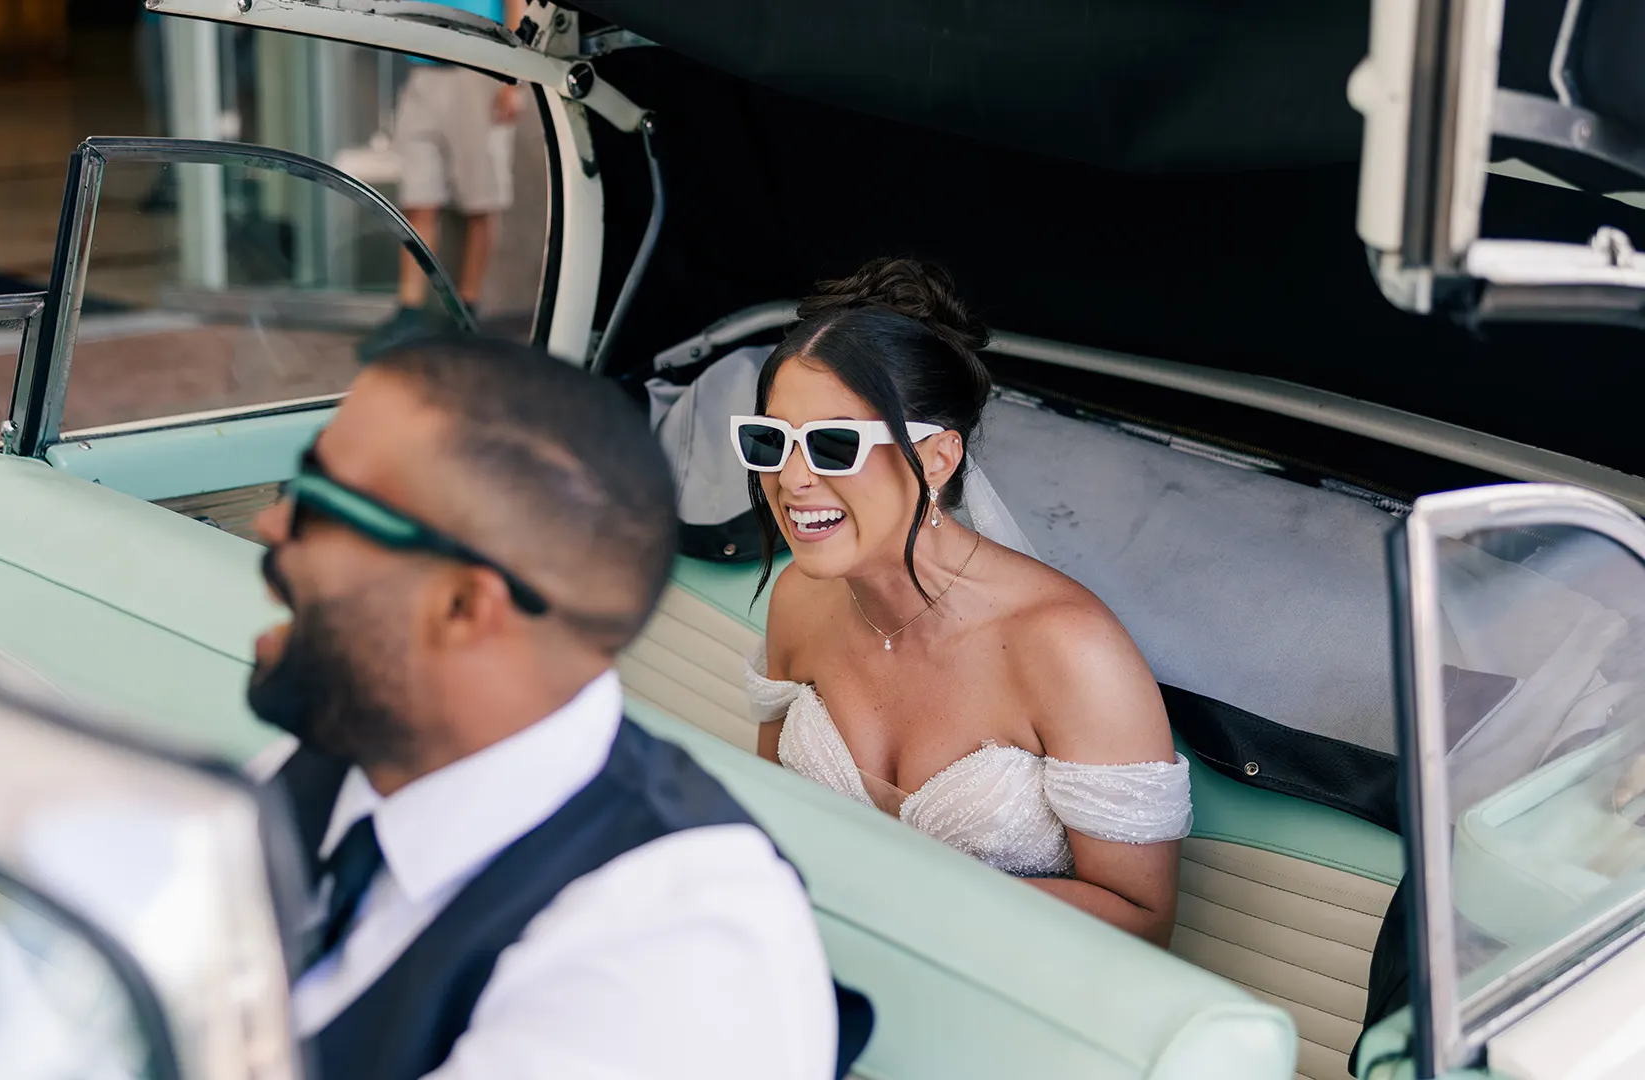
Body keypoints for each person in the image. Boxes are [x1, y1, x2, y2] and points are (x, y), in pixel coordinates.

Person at [248, 335, 867, 1079]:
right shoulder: (324, 762)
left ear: (463, 606)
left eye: (318, 503)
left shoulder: (666, 950)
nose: (269, 526)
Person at [736, 257, 1192, 947]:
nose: (793, 478)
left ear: (938, 460)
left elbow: (1142, 921)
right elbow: (776, 816)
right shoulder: (800, 599)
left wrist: (905, 899)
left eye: (834, 445)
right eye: (771, 441)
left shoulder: (1070, 649)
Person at [362, 0, 524, 352]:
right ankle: (411, 310)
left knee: (481, 200)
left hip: (479, 65)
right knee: (418, 196)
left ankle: (466, 312)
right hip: (423, 65)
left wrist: (514, 76)